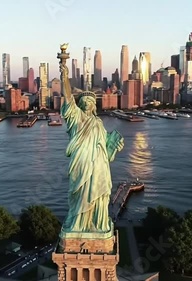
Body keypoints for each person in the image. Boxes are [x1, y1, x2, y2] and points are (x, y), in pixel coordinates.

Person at [59, 63, 124, 233]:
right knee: (80, 194)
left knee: (100, 195)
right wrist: (64, 77)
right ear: (79, 105)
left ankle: (98, 223)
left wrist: (114, 146)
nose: (87, 103)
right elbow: (68, 98)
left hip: (99, 165)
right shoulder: (76, 118)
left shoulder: (99, 123)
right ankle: (78, 224)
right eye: (84, 101)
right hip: (82, 162)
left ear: (95, 105)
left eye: (91, 101)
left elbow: (106, 151)